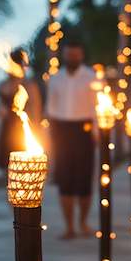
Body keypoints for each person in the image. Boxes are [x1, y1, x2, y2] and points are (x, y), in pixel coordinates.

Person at [47, 39, 97, 239]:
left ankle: (83, 222)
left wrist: (96, 134)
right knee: (64, 180)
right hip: (62, 130)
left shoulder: (91, 77)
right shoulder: (55, 78)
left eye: (75, 55)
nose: (72, 58)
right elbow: (50, 107)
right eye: (69, 55)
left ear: (81, 55)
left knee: (84, 180)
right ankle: (69, 226)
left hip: (84, 130)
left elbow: (97, 108)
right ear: (64, 55)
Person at [0, 47, 42, 169]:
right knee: (7, 163)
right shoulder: (3, 85)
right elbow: (0, 107)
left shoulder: (29, 85)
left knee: (23, 165)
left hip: (23, 128)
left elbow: (36, 109)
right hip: (7, 128)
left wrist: (35, 129)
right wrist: (1, 112)